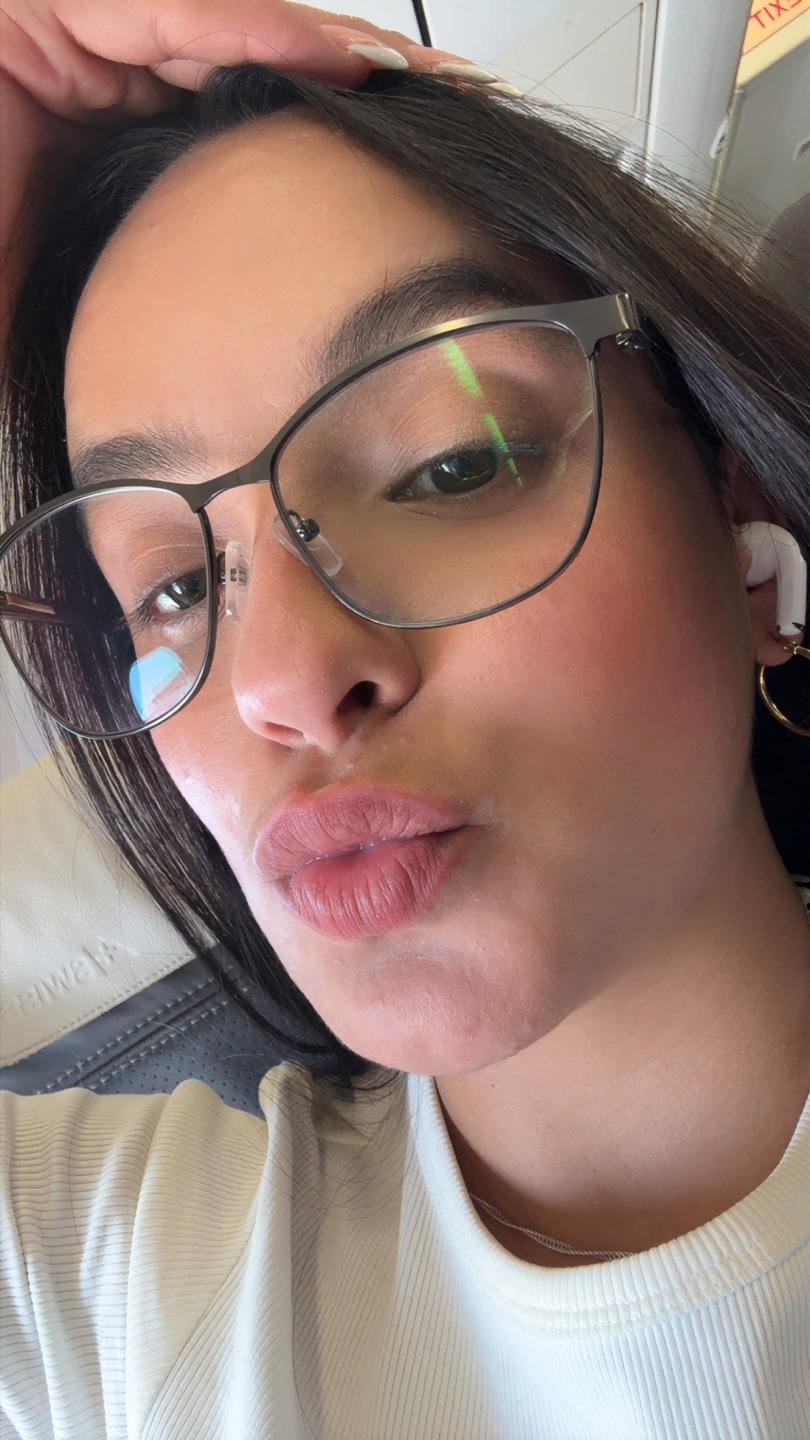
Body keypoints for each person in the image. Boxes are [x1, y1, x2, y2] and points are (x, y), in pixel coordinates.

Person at [1, 4, 809, 1436]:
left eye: (449, 466)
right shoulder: (108, 1289)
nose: (280, 679)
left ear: (736, 509)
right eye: (174, 585)